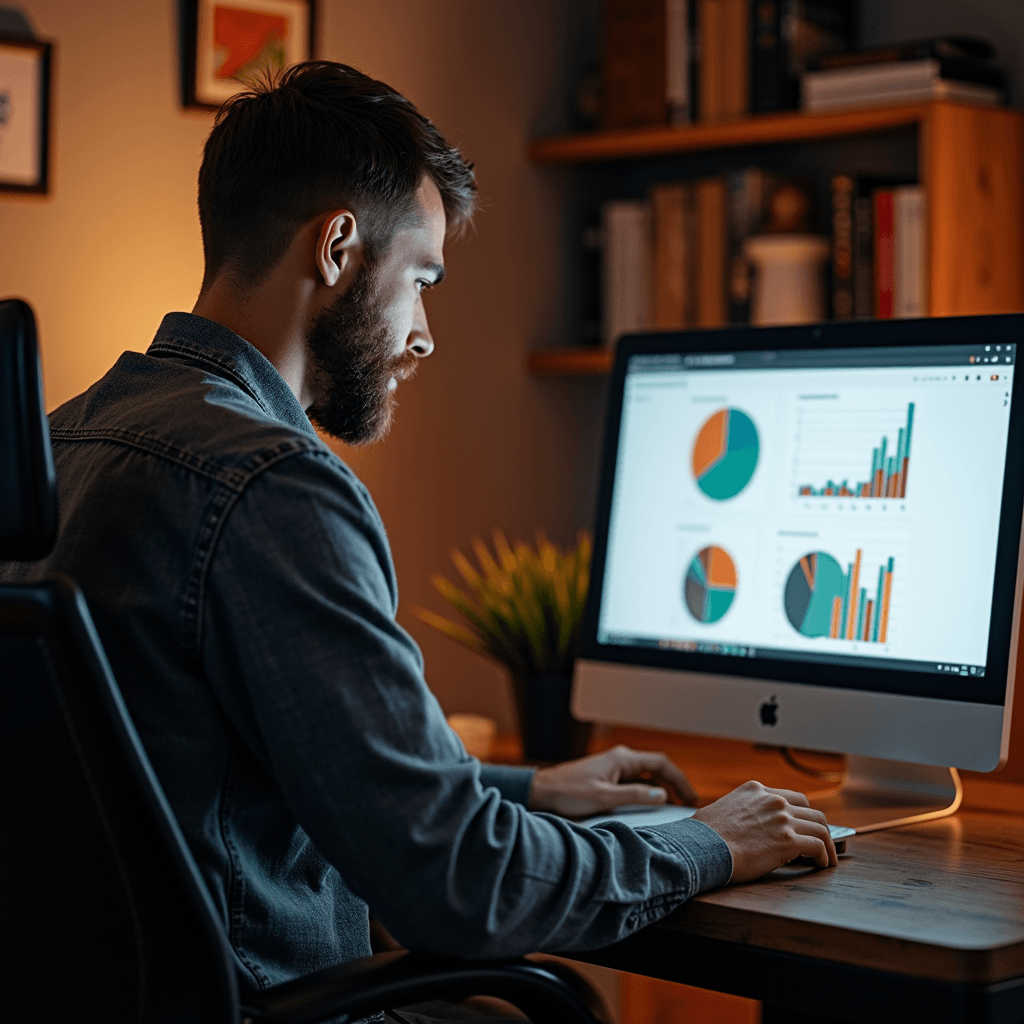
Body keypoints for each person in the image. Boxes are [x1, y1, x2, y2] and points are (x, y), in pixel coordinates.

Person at [0, 62, 836, 1023]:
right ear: (339, 247)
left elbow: (191, 774)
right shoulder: (273, 487)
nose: (426, 334)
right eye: (423, 280)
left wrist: (528, 787)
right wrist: (709, 842)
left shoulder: (53, 442)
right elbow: (459, 884)